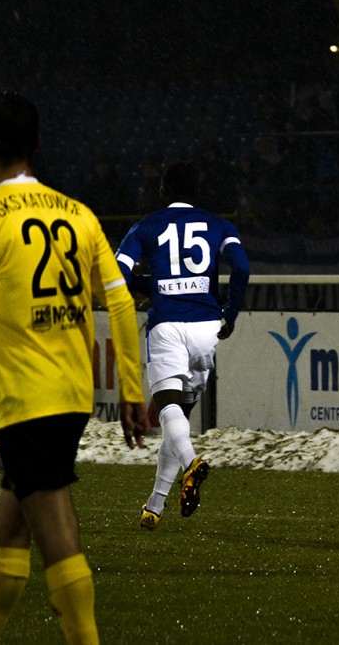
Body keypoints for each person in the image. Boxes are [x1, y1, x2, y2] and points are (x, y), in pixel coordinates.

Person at [0, 91, 147, 644]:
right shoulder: (79, 215)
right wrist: (131, 388)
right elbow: (120, 302)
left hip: (26, 400)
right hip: (71, 395)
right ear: (37, 144)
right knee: (10, 525)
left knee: (56, 534)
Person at [115, 160, 249, 530]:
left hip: (168, 326)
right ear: (197, 191)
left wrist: (149, 287)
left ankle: (192, 463)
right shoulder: (219, 225)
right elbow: (241, 267)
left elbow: (118, 272)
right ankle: (155, 505)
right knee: (178, 418)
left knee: (167, 410)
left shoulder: (146, 225)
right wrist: (231, 312)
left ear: (163, 190)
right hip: (207, 327)